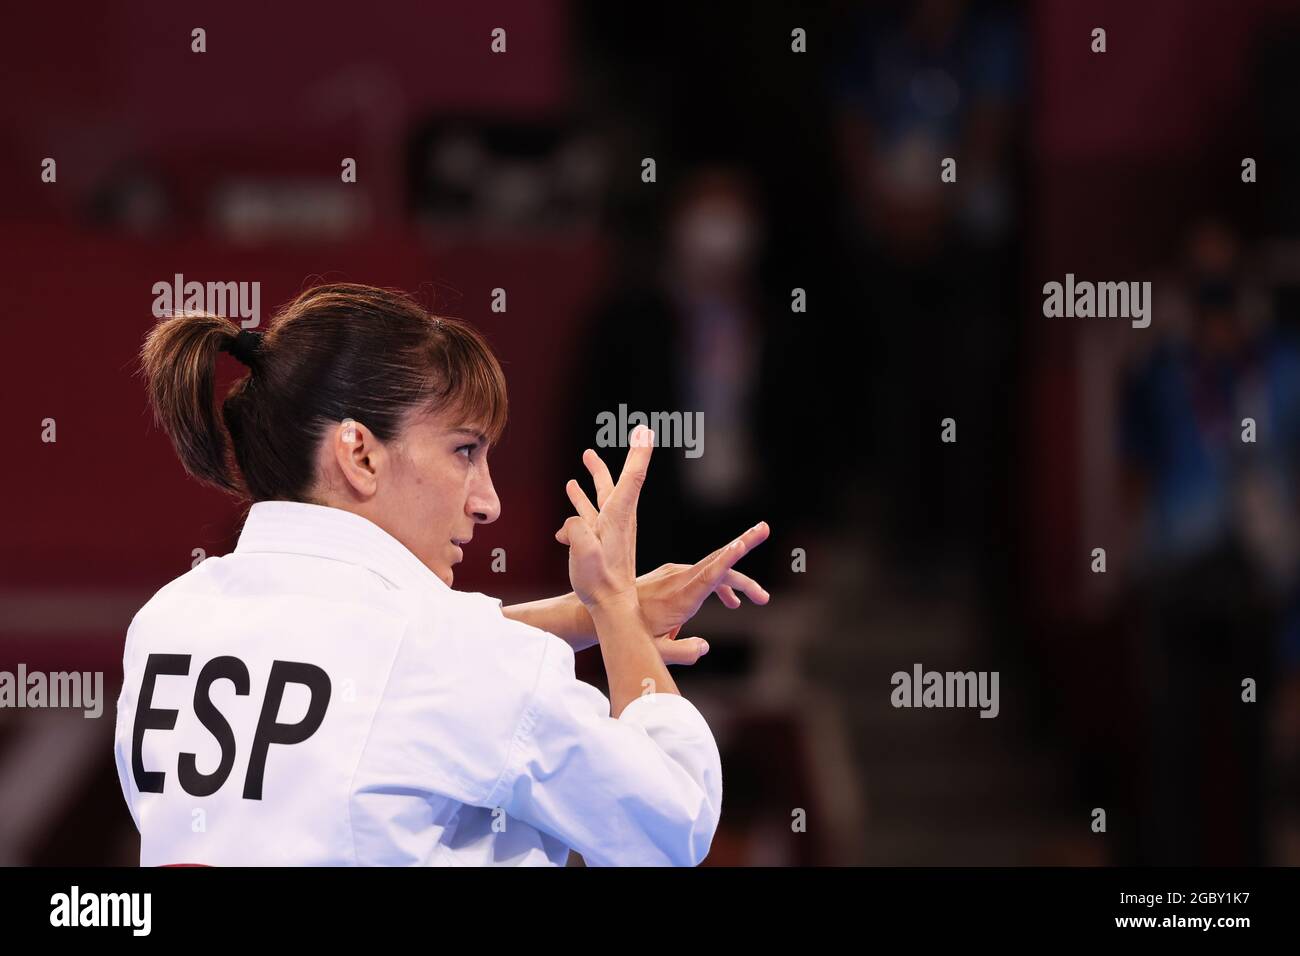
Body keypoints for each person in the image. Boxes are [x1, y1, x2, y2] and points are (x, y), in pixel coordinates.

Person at [113, 283, 770, 866]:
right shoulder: (451, 654)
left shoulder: (167, 623)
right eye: (464, 450)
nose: (487, 501)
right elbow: (671, 826)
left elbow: (376, 664)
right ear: (361, 454)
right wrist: (615, 615)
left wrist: (579, 616)